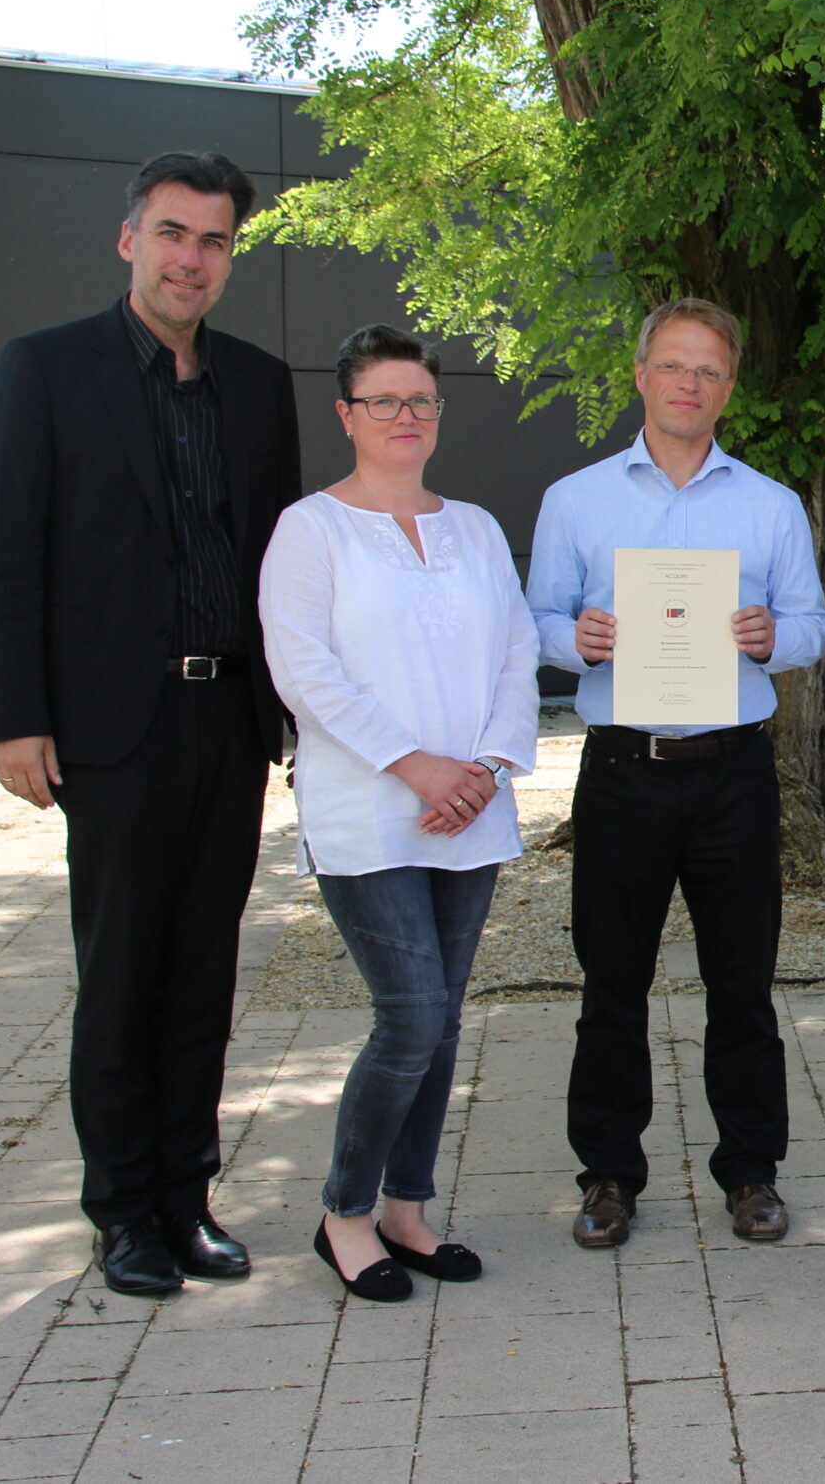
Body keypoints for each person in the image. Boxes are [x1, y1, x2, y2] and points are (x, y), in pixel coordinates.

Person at [0, 152, 302, 1297]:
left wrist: (294, 710)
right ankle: (119, 1213)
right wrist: (16, 718)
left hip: (228, 720)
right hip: (111, 728)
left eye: (213, 242)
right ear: (130, 241)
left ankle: (186, 1198)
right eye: (172, 234)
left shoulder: (259, 385)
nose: (190, 259)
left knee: (204, 974)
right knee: (122, 972)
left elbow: (281, 565)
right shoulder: (46, 371)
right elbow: (9, 555)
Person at [526, 298, 825, 1249]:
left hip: (732, 773)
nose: (689, 384)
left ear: (729, 386)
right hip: (622, 774)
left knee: (742, 984)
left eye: (708, 370)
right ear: (641, 374)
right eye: (673, 366)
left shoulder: (771, 504)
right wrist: (572, 641)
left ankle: (751, 1173)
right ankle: (609, 1174)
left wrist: (773, 638)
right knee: (609, 983)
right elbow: (531, 622)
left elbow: (814, 627)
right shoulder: (576, 500)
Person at [260, 326, 541, 1302]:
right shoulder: (312, 529)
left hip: (471, 805)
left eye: (420, 401)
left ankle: (408, 1210)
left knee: (445, 1018)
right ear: (347, 414)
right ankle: (344, 1213)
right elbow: (304, 670)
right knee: (410, 1013)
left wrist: (487, 764)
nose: (406, 418)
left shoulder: (469, 525)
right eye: (384, 401)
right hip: (367, 811)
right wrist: (417, 767)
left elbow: (517, 644)